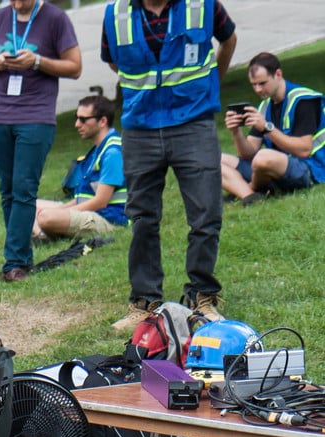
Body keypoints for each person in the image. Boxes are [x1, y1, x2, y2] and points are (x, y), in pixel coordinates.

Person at [102, 0, 237, 331]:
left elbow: (229, 39)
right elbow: (113, 61)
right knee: (143, 218)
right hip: (141, 128)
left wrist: (210, 84)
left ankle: (202, 298)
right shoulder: (115, 13)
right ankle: (145, 303)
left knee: (206, 214)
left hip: (193, 123)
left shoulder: (202, 5)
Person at [0, 0, 83, 283]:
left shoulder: (55, 19)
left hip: (36, 116)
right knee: (7, 189)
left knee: (24, 188)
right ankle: (19, 254)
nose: (17, 3)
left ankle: (15, 261)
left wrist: (37, 61)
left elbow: (75, 66)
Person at [220, 52, 325, 204]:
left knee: (263, 158)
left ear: (278, 74)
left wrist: (267, 128)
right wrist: (236, 132)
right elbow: (248, 153)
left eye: (262, 83)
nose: (257, 90)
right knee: (212, 159)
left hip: (310, 168)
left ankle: (248, 189)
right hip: (272, 167)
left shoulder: (304, 101)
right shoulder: (264, 107)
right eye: (254, 85)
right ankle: (249, 195)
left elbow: (303, 150)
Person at [34, 93, 128, 241]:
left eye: (83, 120)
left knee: (46, 217)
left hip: (109, 219)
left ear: (102, 121)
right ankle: (42, 230)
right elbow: (83, 198)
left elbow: (100, 201)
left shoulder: (112, 153)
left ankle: (41, 234)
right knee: (31, 205)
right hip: (91, 212)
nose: (77, 124)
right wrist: (59, 210)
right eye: (76, 118)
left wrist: (60, 213)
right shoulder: (99, 149)